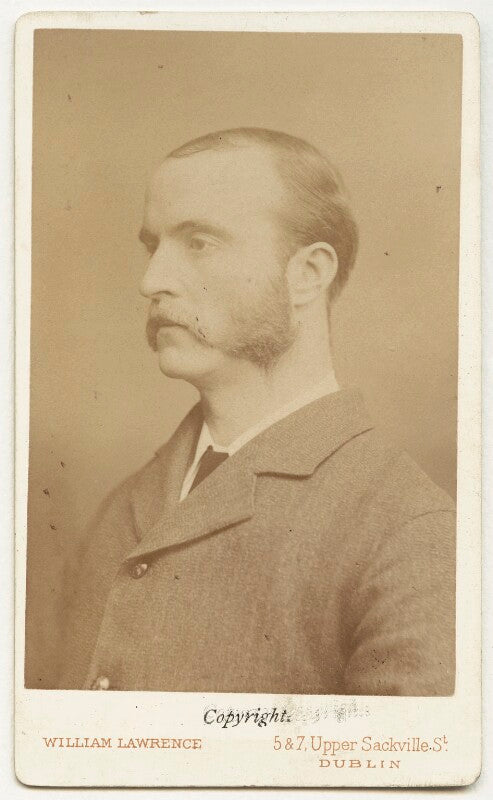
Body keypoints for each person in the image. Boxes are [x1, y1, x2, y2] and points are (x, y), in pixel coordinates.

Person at [59, 128, 455, 695]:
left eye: (199, 243)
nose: (151, 281)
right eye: (154, 247)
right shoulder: (124, 508)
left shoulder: (409, 532)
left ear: (307, 275)